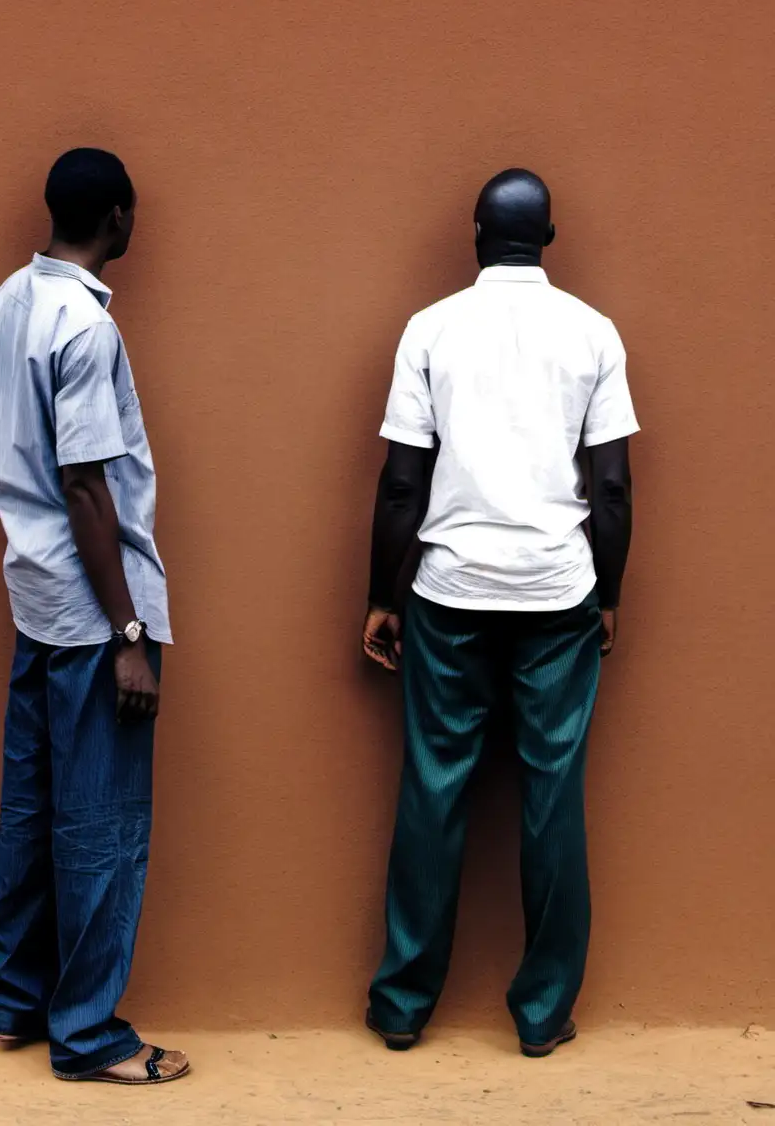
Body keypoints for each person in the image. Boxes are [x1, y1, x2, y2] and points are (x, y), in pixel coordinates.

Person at [362, 169, 638, 1057]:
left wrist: (379, 593)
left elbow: (404, 479)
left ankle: (403, 1007)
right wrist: (610, 594)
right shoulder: (593, 332)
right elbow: (615, 487)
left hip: (449, 590)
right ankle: (544, 1013)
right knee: (552, 796)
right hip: (559, 591)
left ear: (475, 230)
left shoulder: (431, 329)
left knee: (434, 786)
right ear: (548, 237)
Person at [0, 148, 189, 1085]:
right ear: (115, 219)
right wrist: (131, 635)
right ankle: (92, 1036)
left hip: (33, 593)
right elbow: (86, 486)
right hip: (91, 611)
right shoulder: (84, 328)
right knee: (100, 822)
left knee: (32, 809)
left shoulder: (4, 306)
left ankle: (21, 1004)